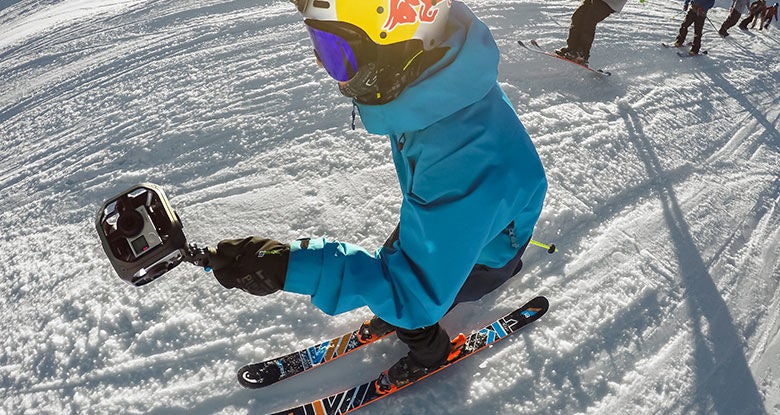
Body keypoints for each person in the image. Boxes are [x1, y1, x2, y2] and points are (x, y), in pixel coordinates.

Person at [206, 0, 548, 393]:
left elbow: (414, 290)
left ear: (395, 42)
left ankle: (429, 352)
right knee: (395, 267)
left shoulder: (464, 162)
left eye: (336, 53)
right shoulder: (436, 80)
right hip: (458, 215)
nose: (321, 64)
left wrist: (289, 266)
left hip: (485, 256)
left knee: (408, 299)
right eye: (320, 45)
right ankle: (401, 310)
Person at [555, 0, 629, 66]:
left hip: (609, 2)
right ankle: (572, 48)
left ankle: (581, 53)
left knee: (589, 21)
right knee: (578, 17)